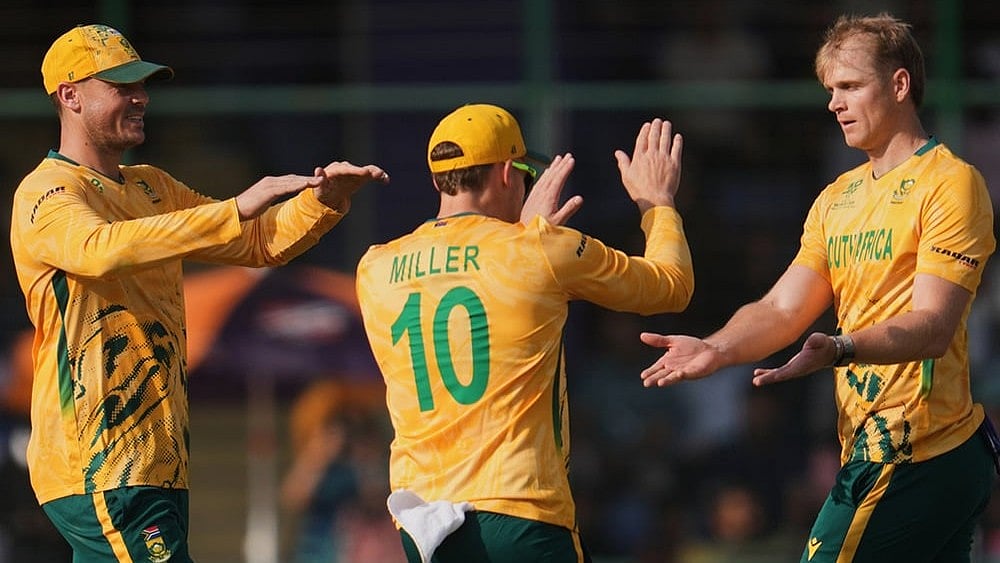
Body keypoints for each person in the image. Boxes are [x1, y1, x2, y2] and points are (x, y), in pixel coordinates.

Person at [9, 23, 389, 562]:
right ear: (70, 96)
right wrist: (232, 209)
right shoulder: (47, 192)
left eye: (142, 84)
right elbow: (98, 248)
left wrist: (325, 202)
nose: (140, 97)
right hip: (98, 462)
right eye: (120, 85)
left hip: (155, 461)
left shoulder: (152, 186)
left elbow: (255, 243)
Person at [639, 13, 997, 563]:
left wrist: (841, 347)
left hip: (915, 446)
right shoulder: (836, 198)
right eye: (831, 90)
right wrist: (717, 349)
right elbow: (783, 307)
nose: (834, 103)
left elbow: (933, 326)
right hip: (888, 446)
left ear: (900, 85)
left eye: (851, 86)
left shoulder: (950, 182)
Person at [355, 102, 695, 562]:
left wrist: (519, 233)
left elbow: (470, 284)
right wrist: (657, 204)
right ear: (503, 173)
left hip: (423, 523)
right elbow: (670, 287)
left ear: (439, 180)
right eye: (523, 175)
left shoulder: (375, 266)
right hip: (521, 511)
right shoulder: (539, 251)